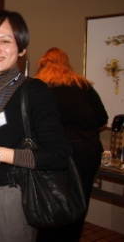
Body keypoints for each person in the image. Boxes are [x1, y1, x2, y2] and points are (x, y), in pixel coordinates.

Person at [0, 10, 70, 242]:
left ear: (21, 48)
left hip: (12, 195)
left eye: (5, 41)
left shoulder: (35, 92)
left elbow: (58, 155)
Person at [35, 47, 108, 242]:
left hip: (57, 151)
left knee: (51, 198)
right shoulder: (83, 85)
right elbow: (102, 117)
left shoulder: (41, 86)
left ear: (43, 64)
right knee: (80, 200)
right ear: (66, 63)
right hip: (87, 151)